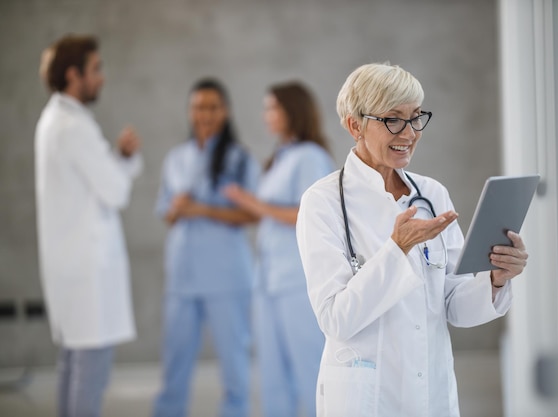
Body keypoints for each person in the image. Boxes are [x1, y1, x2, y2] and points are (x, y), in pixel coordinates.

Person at [295, 62, 529, 417]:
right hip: (366, 397)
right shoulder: (323, 202)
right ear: (354, 125)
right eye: (393, 119)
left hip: (430, 394)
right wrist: (397, 249)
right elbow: (336, 320)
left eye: (416, 117)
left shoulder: (432, 194)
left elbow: (452, 304)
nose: (409, 132)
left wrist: (495, 279)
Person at [35, 34, 143, 417]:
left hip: (70, 268)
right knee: (90, 373)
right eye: (95, 70)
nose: (102, 78)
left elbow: (94, 182)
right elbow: (114, 191)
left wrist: (116, 158)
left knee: (72, 365)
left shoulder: (54, 120)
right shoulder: (74, 127)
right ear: (73, 75)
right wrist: (125, 159)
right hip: (87, 273)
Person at [224, 82, 334, 417]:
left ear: (292, 111)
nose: (266, 115)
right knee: (271, 376)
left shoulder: (311, 157)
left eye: (272, 108)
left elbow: (308, 214)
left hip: (296, 281)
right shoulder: (279, 158)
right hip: (268, 280)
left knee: (310, 368)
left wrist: (252, 203)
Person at [153, 78, 260, 417]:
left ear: (225, 112)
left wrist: (201, 209)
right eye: (199, 107)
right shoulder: (176, 158)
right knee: (174, 363)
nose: (205, 114)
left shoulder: (239, 158)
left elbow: (251, 213)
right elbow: (167, 214)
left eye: (213, 107)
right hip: (183, 276)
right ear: (190, 111)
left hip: (226, 277)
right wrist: (178, 207)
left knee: (233, 364)